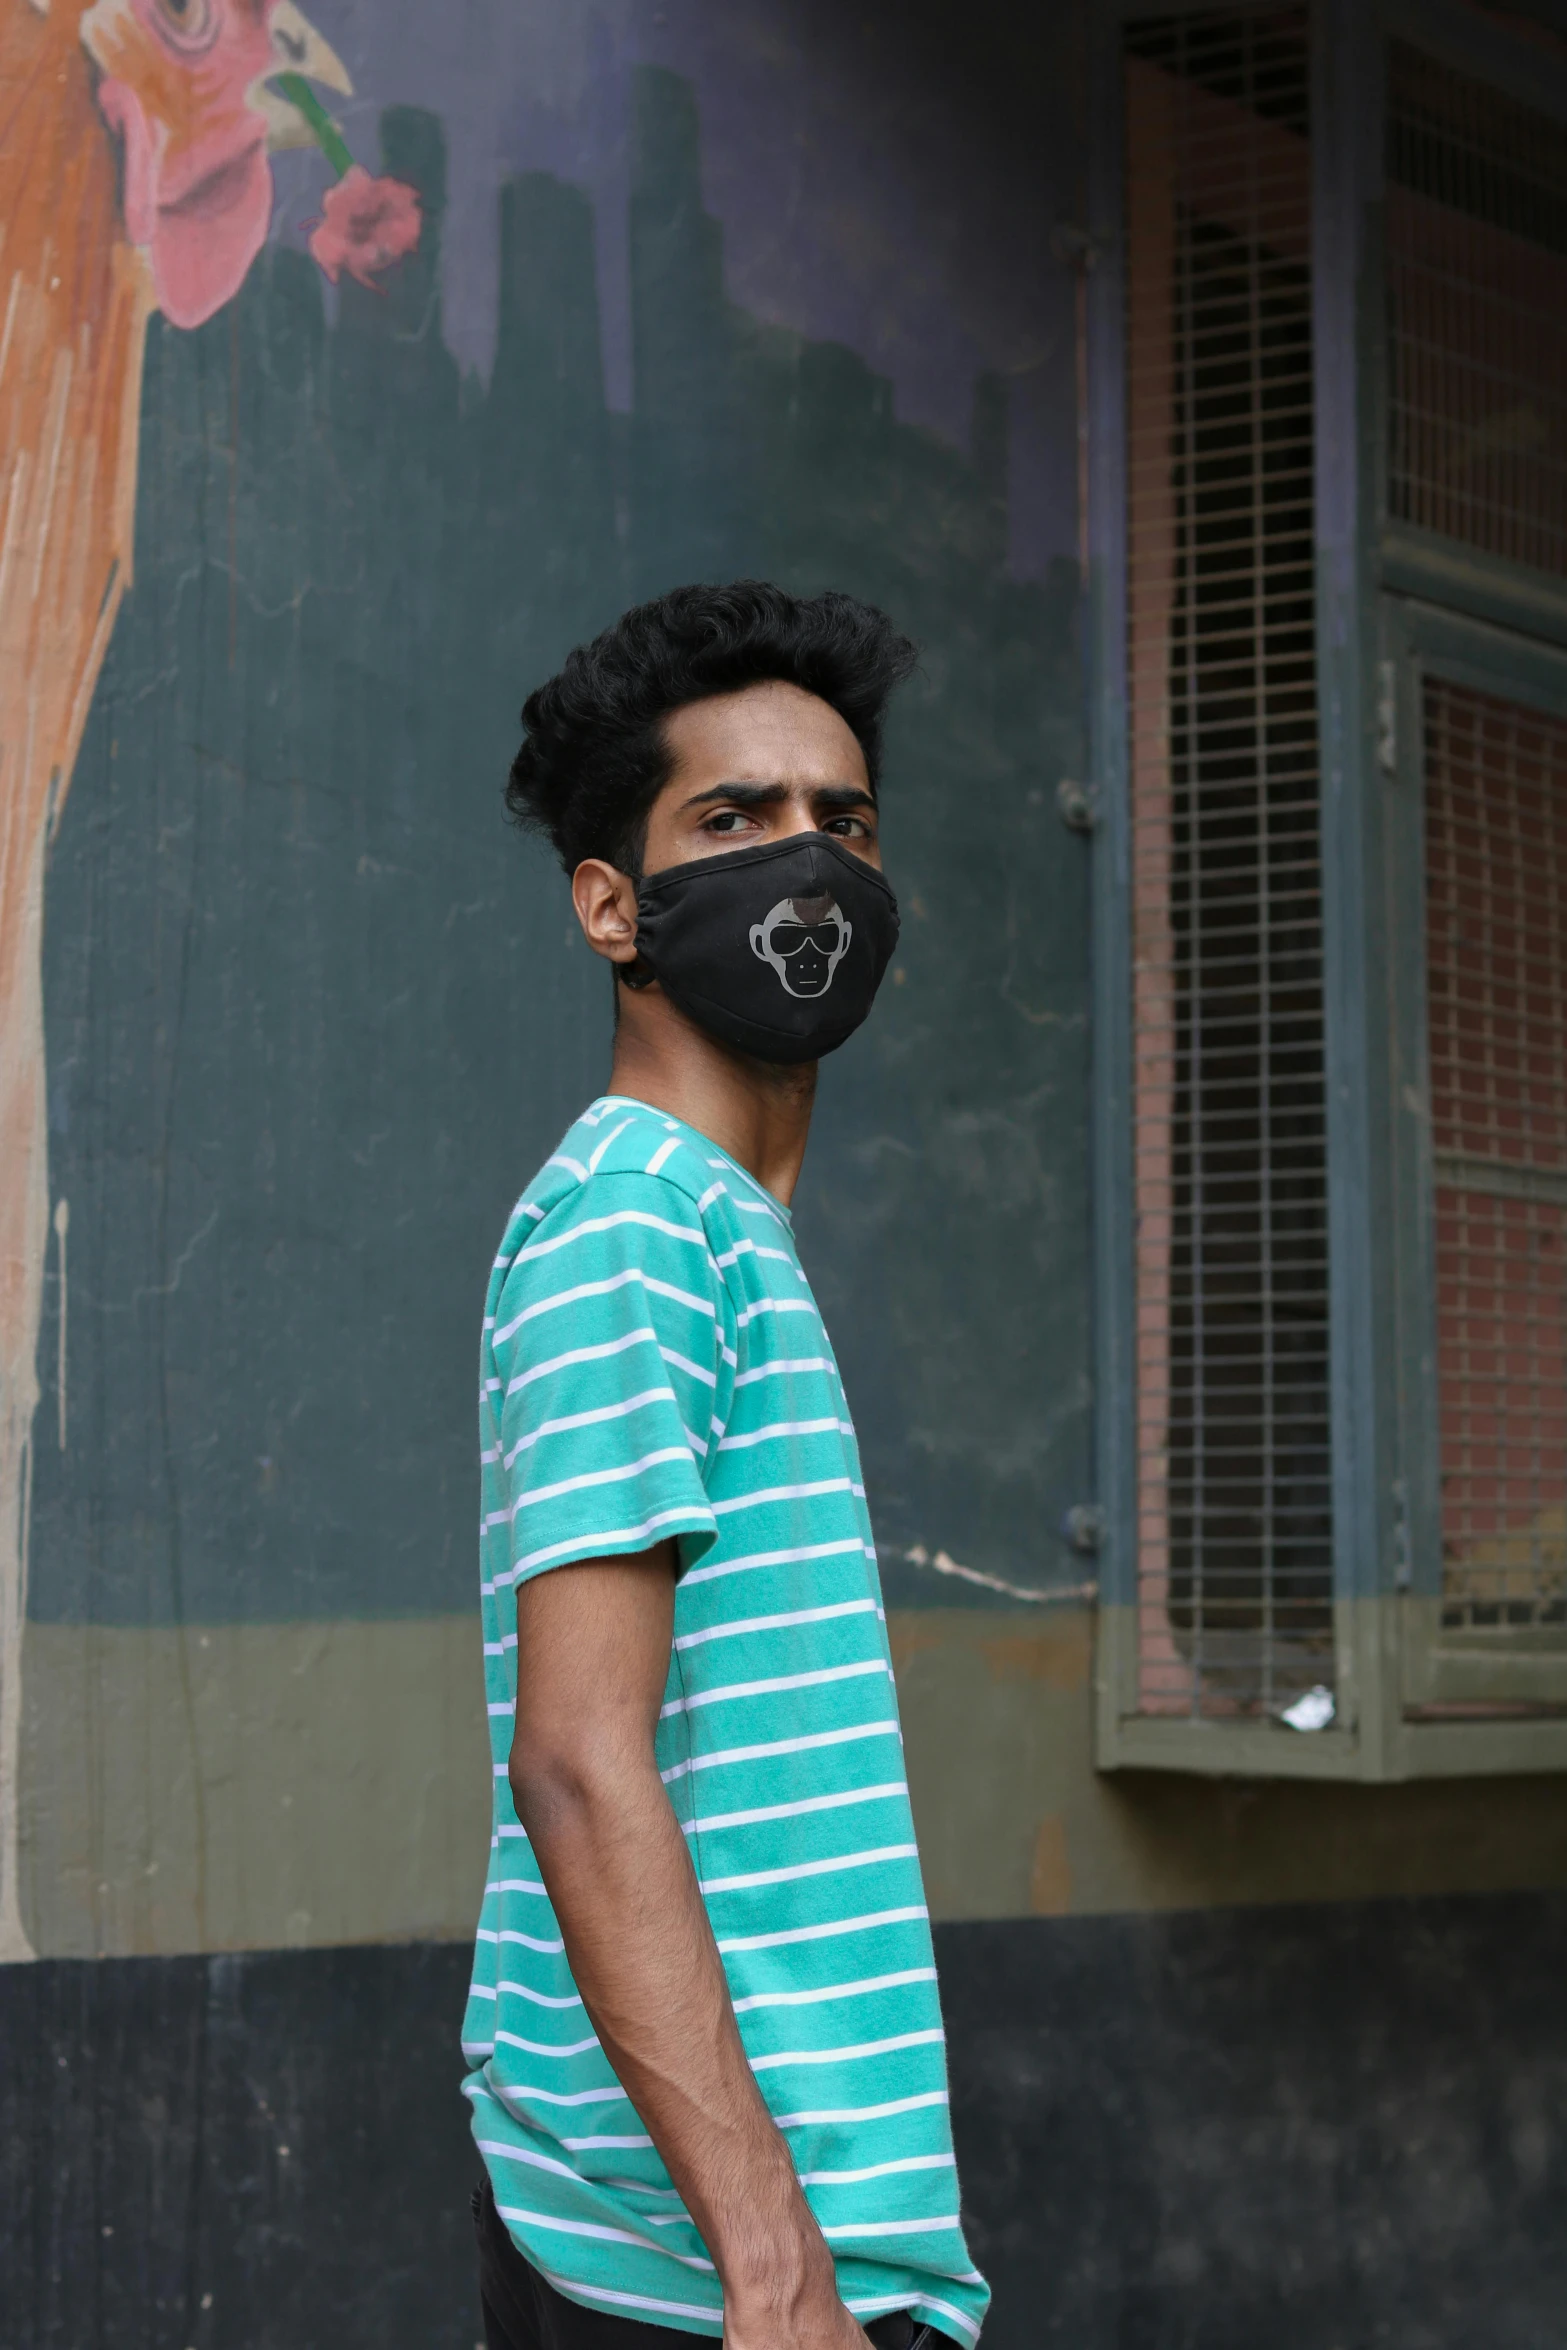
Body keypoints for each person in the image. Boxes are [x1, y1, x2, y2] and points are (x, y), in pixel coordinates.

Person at [462, 582, 989, 2350]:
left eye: (841, 821)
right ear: (611, 904)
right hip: (704, 2278)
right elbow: (579, 1759)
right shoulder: (636, 1218)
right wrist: (772, 2269)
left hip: (778, 2250)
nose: (807, 861)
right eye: (733, 819)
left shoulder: (720, 1230)